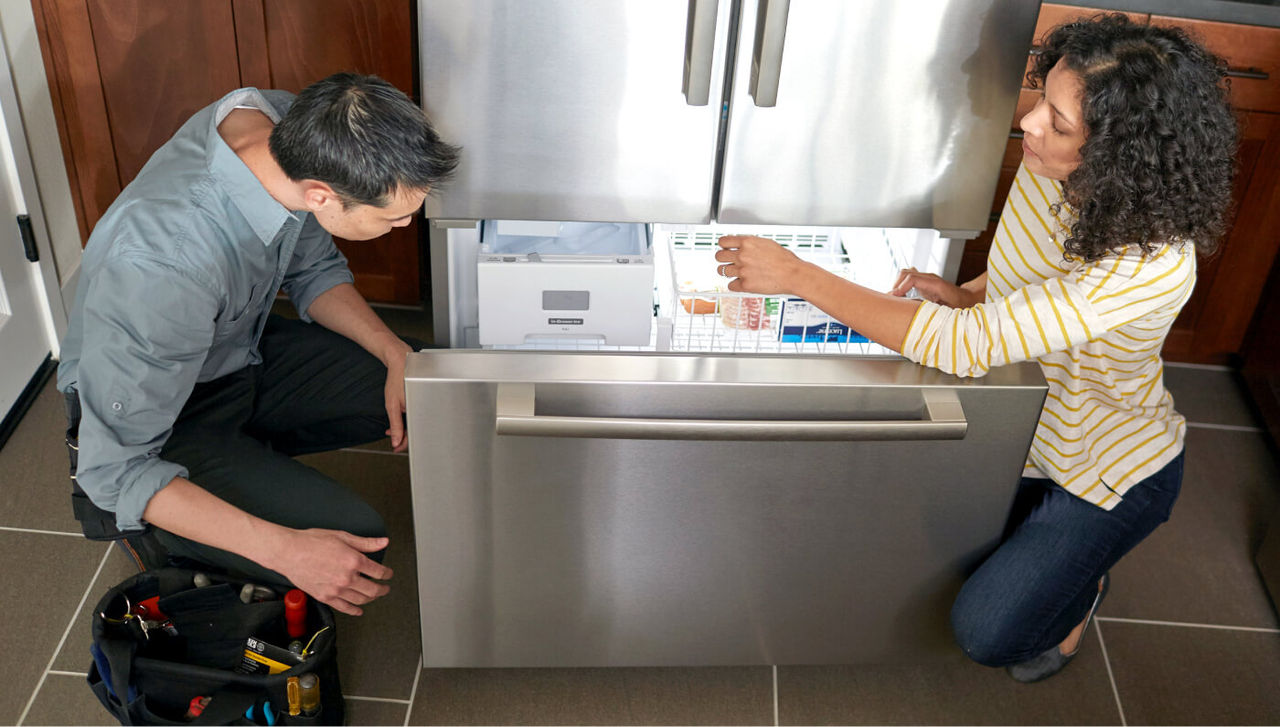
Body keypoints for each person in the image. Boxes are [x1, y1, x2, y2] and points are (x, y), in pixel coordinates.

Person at [714, 14, 1236, 681]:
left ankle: (1084, 589)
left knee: (987, 631)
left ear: (1117, 156)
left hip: (1099, 464)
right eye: (1042, 98)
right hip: (1018, 418)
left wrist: (796, 275)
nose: (1029, 123)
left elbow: (965, 348)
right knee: (930, 541)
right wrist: (969, 292)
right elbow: (1034, 273)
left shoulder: (1149, 264)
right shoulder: (1052, 168)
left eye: (1058, 122)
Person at [57, 72, 460, 616]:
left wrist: (393, 352)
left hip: (229, 350)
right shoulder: (164, 267)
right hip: (153, 421)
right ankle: (168, 531)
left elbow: (314, 270)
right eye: (395, 217)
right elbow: (113, 469)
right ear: (321, 195)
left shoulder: (286, 127)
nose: (409, 223)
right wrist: (287, 550)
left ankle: (243, 466)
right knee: (355, 544)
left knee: (420, 383)